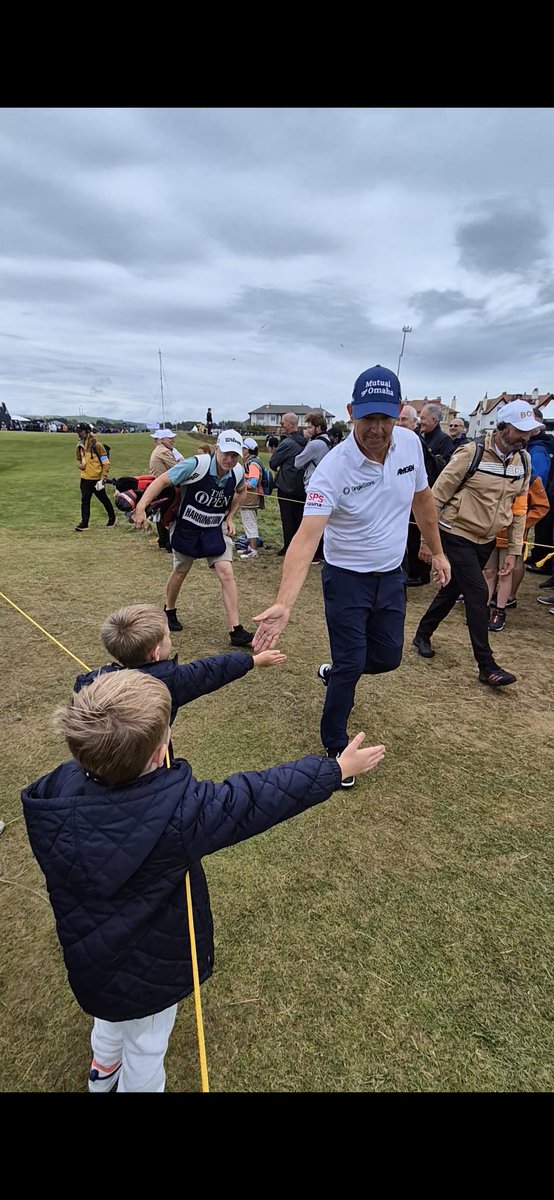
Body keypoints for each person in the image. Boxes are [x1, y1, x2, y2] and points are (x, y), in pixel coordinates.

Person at [21, 670, 386, 1092]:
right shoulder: (180, 815)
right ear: (160, 756)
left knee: (111, 1020)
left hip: (93, 962)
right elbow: (257, 798)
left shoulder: (55, 790)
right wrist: (335, 768)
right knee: (146, 1045)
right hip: (146, 972)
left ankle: (102, 1072)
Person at [253, 366, 450, 783]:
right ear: (350, 413)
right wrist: (283, 604)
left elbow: (423, 501)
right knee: (350, 664)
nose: (376, 429)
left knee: (387, 658)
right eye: (367, 419)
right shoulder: (333, 468)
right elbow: (306, 539)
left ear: (399, 412)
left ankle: (336, 671)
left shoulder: (411, 445)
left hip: (391, 575)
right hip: (346, 579)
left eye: (384, 418)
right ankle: (335, 748)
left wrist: (436, 551)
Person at [412, 400, 543, 686]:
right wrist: (426, 540)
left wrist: (513, 549)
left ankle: (422, 633)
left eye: (530, 431)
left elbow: (518, 507)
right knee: (477, 591)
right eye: (521, 430)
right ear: (502, 428)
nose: (526, 436)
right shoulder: (470, 454)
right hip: (456, 533)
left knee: (453, 589)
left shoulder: (524, 461)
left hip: (486, 539)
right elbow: (434, 498)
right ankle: (487, 666)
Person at [73, 603, 286, 736]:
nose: (170, 639)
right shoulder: (170, 681)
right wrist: (254, 661)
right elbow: (213, 670)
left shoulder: (95, 681)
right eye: (167, 635)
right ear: (155, 653)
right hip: (151, 757)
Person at [132, 430, 253, 645]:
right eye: (226, 453)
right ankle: (169, 610)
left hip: (215, 526)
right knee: (181, 570)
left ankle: (236, 630)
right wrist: (141, 507)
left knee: (226, 572)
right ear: (217, 448)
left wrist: (231, 517)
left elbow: (242, 491)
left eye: (235, 456)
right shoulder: (195, 465)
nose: (230, 459)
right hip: (187, 526)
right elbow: (161, 481)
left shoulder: (237, 472)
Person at [484, 470, 549, 631]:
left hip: (513, 537)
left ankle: (500, 610)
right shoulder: (495, 470)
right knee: (489, 572)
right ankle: (482, 609)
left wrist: (520, 524)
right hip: (491, 533)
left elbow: (541, 506)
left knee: (505, 573)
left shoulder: (530, 477)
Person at [293, 412, 332, 564]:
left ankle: (314, 554)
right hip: (325, 486)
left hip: (313, 485)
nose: (307, 430)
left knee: (311, 522)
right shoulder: (328, 441)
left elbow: (298, 462)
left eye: (310, 427)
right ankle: (321, 553)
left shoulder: (315, 444)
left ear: (318, 427)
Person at [269, 413, 306, 555]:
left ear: (291, 424)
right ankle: (299, 546)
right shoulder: (306, 441)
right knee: (299, 518)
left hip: (286, 486)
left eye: (283, 423)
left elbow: (273, 462)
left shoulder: (287, 443)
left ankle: (288, 546)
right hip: (302, 486)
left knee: (287, 518)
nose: (280, 425)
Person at [74, 422, 116, 532]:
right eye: (78, 432)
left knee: (104, 499)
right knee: (85, 500)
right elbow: (78, 459)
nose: (79, 434)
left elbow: (106, 463)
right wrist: (79, 465)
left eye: (81, 432)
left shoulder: (97, 445)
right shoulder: (79, 445)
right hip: (85, 478)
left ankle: (112, 518)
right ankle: (84, 523)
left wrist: (103, 477)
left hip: (97, 479)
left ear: (87, 431)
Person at [149, 429, 184, 551]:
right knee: (169, 514)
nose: (173, 440)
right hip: (167, 487)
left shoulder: (160, 450)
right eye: (170, 439)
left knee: (162, 513)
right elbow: (177, 469)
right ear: (162, 440)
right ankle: (168, 543)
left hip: (161, 486)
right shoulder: (164, 451)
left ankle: (163, 542)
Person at [238, 437, 264, 560]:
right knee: (248, 523)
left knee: (250, 524)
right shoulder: (252, 461)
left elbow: (253, 482)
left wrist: (239, 485)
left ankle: (253, 550)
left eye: (243, 448)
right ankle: (250, 547)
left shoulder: (252, 463)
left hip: (250, 499)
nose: (241, 451)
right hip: (248, 499)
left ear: (248, 450)